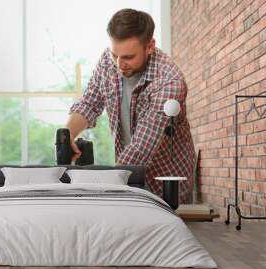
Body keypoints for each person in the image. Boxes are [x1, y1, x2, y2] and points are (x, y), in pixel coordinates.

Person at [65, 8, 195, 203]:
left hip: (165, 180)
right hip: (126, 172)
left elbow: (141, 148)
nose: (119, 64)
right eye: (114, 54)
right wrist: (67, 133)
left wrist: (104, 188)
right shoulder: (108, 62)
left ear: (149, 46)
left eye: (128, 57)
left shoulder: (170, 81)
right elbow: (90, 102)